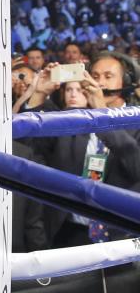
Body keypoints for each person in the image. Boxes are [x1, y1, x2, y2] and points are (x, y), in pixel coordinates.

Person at [38, 54, 140, 246]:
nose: (100, 82)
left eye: (108, 76)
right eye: (95, 75)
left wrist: (104, 115)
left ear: (126, 82)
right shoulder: (76, 119)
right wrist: (39, 95)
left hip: (120, 237)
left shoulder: (136, 121)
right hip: (69, 234)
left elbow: (136, 167)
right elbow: (32, 150)